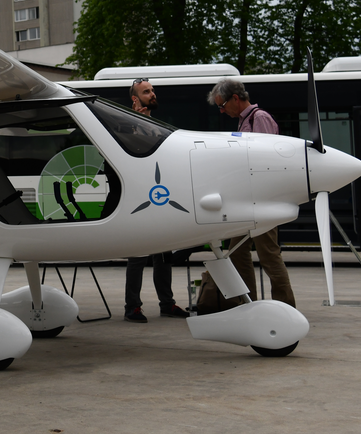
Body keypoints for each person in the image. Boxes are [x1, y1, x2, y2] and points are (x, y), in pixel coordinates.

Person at [206, 78, 295, 307]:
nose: (222, 111)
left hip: (261, 201)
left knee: (268, 255)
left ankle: (285, 305)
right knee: (236, 251)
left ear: (235, 98)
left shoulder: (260, 118)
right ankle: (248, 303)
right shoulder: (244, 121)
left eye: (223, 105)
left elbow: (269, 160)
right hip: (247, 201)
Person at [123, 78, 189, 322]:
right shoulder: (125, 126)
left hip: (160, 196)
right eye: (146, 92)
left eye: (152, 91)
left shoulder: (158, 125)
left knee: (163, 255)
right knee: (138, 255)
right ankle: (132, 307)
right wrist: (135, 124)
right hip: (139, 199)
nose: (152, 94)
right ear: (135, 99)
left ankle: (167, 304)